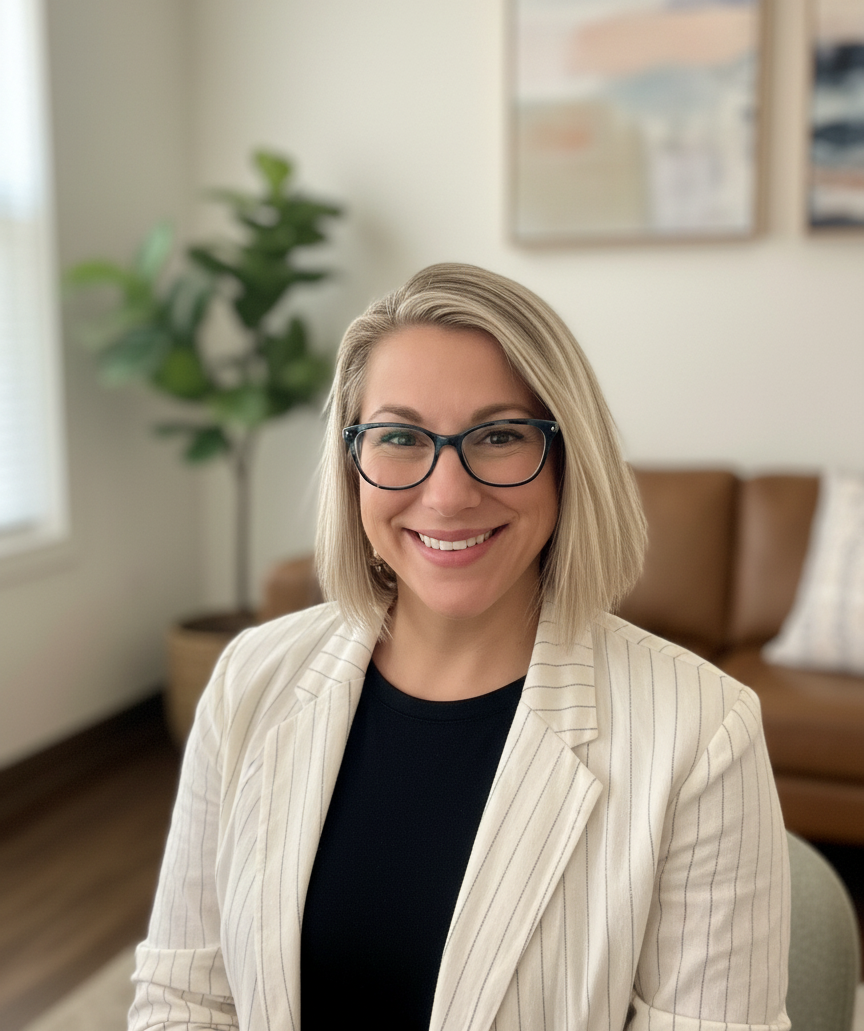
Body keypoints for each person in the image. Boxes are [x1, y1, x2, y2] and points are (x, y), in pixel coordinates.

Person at [130, 263, 790, 1031]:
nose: (447, 495)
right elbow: (186, 997)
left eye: (501, 435)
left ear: (567, 462)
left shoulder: (704, 733)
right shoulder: (250, 677)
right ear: (352, 468)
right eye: (401, 437)